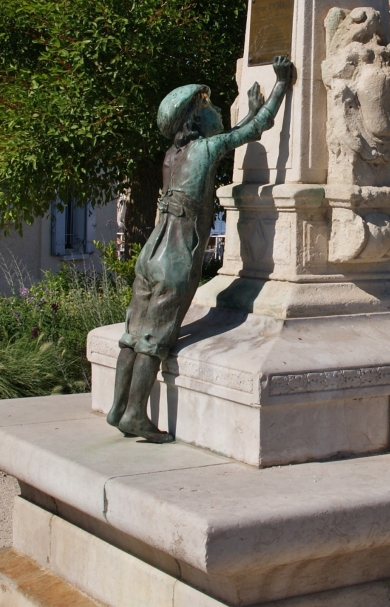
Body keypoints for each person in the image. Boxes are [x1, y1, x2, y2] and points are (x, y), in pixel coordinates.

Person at [107, 55, 292, 441]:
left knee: (133, 333)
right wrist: (280, 83)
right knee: (154, 340)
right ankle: (135, 416)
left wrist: (248, 113)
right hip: (175, 256)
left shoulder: (171, 156)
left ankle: (117, 407)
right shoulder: (205, 150)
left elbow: (239, 129)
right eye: (206, 106)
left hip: (151, 253)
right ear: (193, 121)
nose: (214, 110)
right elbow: (258, 127)